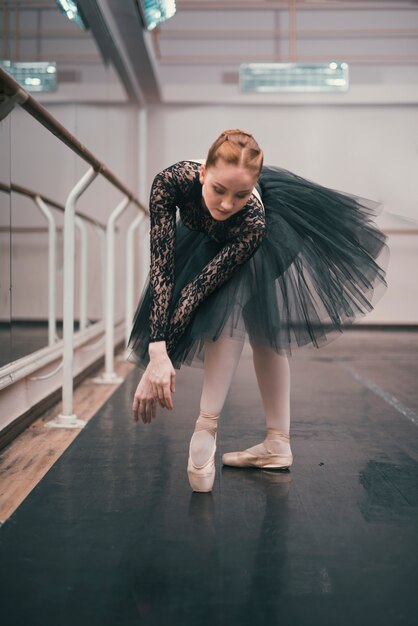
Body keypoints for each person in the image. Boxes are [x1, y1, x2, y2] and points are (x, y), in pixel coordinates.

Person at [128, 129, 388, 493]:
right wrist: (156, 352)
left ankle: (216, 429)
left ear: (253, 189)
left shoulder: (252, 221)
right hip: (208, 239)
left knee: (235, 310)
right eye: (218, 189)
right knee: (245, 316)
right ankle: (269, 442)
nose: (225, 204)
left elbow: (198, 291)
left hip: (265, 237)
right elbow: (163, 271)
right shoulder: (170, 183)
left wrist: (161, 353)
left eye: (240, 194)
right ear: (202, 173)